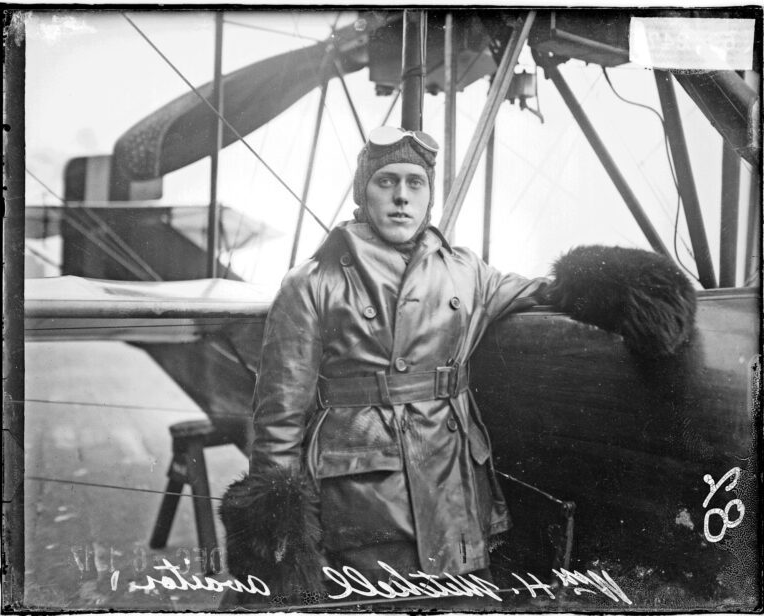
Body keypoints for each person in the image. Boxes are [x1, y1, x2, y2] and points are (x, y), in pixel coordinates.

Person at [220, 126, 696, 607]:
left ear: (429, 198)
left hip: (454, 488)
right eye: (386, 182)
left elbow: (549, 293)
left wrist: (636, 286)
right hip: (361, 493)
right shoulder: (311, 282)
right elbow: (279, 416)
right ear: (363, 193)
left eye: (415, 183)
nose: (401, 197)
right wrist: (278, 539)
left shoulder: (466, 272)